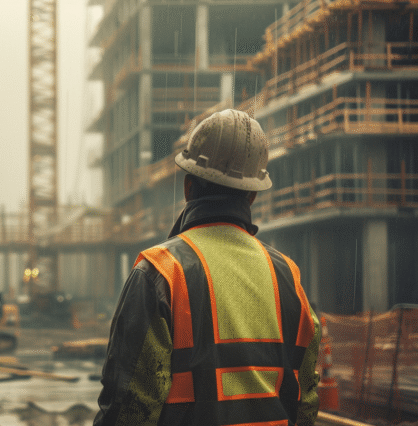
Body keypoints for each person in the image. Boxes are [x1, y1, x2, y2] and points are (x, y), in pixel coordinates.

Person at [94, 109, 321, 426]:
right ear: (253, 195)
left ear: (189, 187)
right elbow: (305, 399)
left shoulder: (159, 273)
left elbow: (130, 405)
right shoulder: (287, 276)